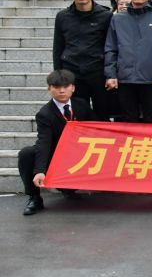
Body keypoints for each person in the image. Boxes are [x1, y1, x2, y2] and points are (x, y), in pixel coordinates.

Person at [19, 70, 97, 216]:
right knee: (26, 153)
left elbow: (97, 127)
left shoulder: (82, 105)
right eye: (56, 87)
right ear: (49, 89)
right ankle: (34, 198)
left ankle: (68, 189)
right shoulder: (45, 114)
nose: (61, 91)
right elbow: (44, 142)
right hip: (57, 155)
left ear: (73, 88)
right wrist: (40, 171)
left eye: (66, 86)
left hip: (80, 153)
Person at [52, 0, 114, 121]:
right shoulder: (62, 16)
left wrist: (111, 74)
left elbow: (111, 46)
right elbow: (58, 47)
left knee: (102, 112)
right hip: (72, 71)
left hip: (98, 71)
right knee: (78, 114)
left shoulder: (105, 15)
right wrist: (59, 75)